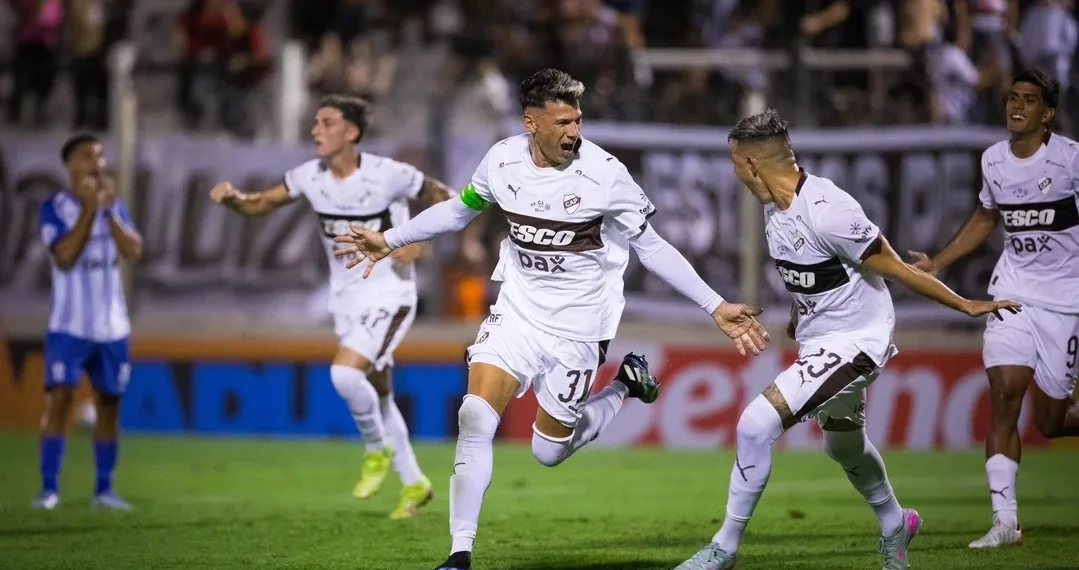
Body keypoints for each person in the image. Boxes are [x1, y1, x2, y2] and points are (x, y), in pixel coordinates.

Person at [333, 68, 771, 570]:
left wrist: (715, 305)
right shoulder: (502, 161)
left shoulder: (605, 174)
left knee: (547, 451)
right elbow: (460, 211)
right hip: (518, 310)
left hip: (580, 324)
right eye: (562, 121)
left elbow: (651, 247)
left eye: (578, 120)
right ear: (530, 123)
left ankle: (626, 384)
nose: (573, 132)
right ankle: (459, 554)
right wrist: (390, 239)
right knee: (474, 417)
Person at [676, 109, 1022, 570]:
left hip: (859, 343)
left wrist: (967, 305)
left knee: (755, 424)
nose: (735, 173)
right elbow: (814, 273)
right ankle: (896, 522)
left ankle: (724, 548)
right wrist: (801, 315)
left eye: (736, 164)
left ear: (753, 165)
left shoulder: (829, 210)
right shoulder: (773, 209)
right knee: (843, 446)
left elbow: (896, 267)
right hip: (822, 342)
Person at [209, 94, 457, 519]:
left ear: (352, 132)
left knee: (344, 374)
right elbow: (262, 203)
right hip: (346, 300)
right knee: (379, 395)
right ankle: (415, 483)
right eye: (315, 123)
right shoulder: (310, 176)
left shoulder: (389, 174)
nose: (314, 131)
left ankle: (375, 451)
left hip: (390, 296)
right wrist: (234, 198)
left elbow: (448, 196)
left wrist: (416, 239)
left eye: (326, 123)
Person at [908, 67, 1079, 549]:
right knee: (1004, 393)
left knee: (1051, 420)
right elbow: (987, 216)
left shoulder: (1070, 161)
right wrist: (937, 262)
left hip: (1064, 301)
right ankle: (1005, 522)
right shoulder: (993, 161)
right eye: (1011, 98)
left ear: (1048, 113)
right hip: (1012, 291)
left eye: (1029, 100)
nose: (1016, 106)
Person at [36, 134, 144, 510]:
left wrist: (107, 210)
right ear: (70, 165)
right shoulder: (54, 208)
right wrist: (87, 210)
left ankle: (104, 489)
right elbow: (64, 256)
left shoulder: (115, 206)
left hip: (112, 327)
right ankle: (49, 490)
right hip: (69, 326)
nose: (97, 163)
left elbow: (133, 250)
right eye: (87, 156)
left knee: (109, 405)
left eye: (99, 156)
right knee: (60, 401)